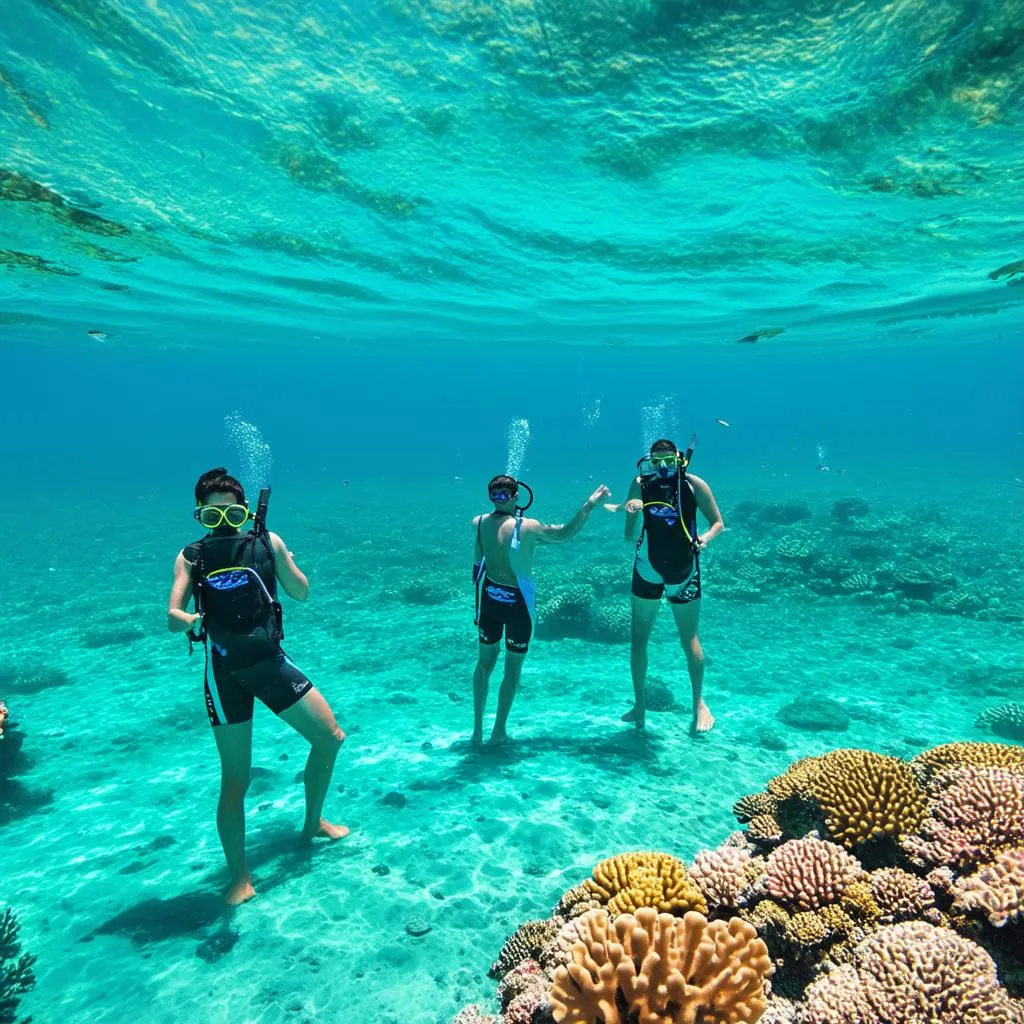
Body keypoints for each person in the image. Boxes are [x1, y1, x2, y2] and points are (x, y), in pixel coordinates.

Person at [166, 468, 348, 905]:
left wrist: (283, 560)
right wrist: (188, 619)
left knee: (329, 737)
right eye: (213, 516)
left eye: (233, 514)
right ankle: (239, 877)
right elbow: (172, 614)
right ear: (200, 517)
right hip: (225, 673)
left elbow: (301, 593)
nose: (225, 524)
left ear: (247, 510)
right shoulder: (192, 556)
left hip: (270, 662)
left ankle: (314, 823)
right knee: (237, 778)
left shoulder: (268, 542)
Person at [471, 475, 610, 746]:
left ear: (512, 497)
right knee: (512, 666)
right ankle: (497, 732)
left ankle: (477, 731)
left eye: (502, 495)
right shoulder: (529, 526)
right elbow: (566, 534)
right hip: (517, 604)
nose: (500, 499)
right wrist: (589, 506)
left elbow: (478, 566)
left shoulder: (478, 523)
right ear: (517, 497)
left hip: (488, 599)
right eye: (496, 495)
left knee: (484, 663)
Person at [611, 438, 724, 734]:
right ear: (649, 462)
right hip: (647, 567)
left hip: (684, 569)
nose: (662, 468)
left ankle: (699, 704)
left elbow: (717, 523)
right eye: (656, 462)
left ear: (679, 461)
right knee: (638, 639)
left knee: (689, 639)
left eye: (668, 462)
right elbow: (628, 534)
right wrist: (631, 512)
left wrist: (705, 539)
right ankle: (639, 705)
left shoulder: (693, 485)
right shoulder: (640, 484)